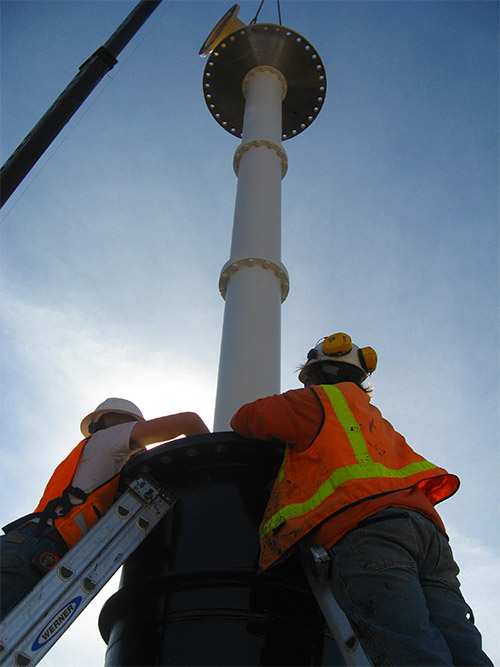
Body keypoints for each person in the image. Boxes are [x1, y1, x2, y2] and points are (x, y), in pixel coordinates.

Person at [230, 333, 492, 666]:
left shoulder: (314, 402)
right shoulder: (374, 418)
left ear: (316, 373)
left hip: (369, 533)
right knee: (464, 648)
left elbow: (245, 418)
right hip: (428, 536)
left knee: (412, 653)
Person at [0, 397, 209, 620]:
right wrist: (217, 474)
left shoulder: (90, 457)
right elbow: (189, 422)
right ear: (120, 421)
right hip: (39, 550)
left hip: (26, 545)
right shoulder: (111, 438)